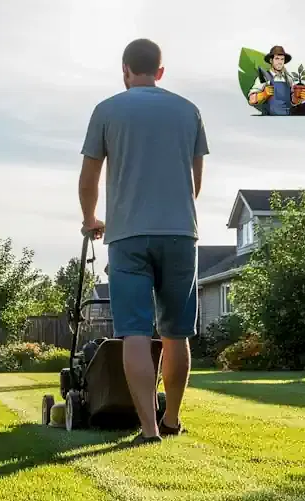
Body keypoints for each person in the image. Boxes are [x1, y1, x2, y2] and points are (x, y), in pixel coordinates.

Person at [78, 38, 207, 445]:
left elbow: (89, 178)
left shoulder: (107, 110)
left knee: (134, 333)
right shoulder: (189, 111)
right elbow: (196, 182)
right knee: (175, 333)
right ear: (161, 71)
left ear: (125, 70)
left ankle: (148, 431)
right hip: (180, 233)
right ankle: (171, 419)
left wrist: (90, 219)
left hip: (128, 235)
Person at [247, 45, 305, 115]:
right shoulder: (264, 77)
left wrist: (298, 97)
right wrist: (263, 94)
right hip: (268, 120)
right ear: (271, 60)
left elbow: (293, 101)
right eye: (277, 59)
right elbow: (251, 100)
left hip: (287, 119)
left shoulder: (288, 78)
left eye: (282, 59)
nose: (280, 62)